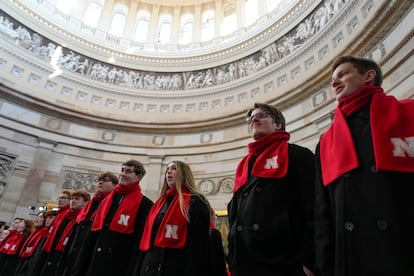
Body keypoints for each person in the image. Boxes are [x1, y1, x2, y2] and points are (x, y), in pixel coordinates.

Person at [314, 55, 414, 276]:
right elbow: (324, 214)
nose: (334, 82)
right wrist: (324, 267)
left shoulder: (409, 113)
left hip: (404, 246)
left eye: (342, 74)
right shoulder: (325, 142)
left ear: (369, 76)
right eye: (332, 79)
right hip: (352, 257)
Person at [227, 103, 315, 276]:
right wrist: (232, 258)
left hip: (284, 264)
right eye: (251, 118)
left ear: (278, 124)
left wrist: (309, 260)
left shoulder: (297, 155)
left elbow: (314, 207)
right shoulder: (244, 165)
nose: (254, 119)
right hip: (246, 263)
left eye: (261, 116)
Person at [73, 160, 153, 276]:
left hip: (118, 266)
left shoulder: (145, 204)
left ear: (139, 176)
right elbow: (91, 236)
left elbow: (139, 243)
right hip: (94, 264)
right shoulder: (106, 200)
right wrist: (79, 268)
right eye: (122, 170)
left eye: (128, 171)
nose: (123, 174)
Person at [136, 160, 210, 276]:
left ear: (184, 174)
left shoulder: (196, 201)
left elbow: (199, 243)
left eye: (174, 168)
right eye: (167, 169)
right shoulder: (159, 203)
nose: (168, 171)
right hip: (150, 266)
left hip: (176, 266)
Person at [58, 172, 118, 275]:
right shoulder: (90, 204)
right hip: (74, 253)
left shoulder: (114, 204)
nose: (100, 182)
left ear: (114, 185)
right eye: (99, 180)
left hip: (90, 255)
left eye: (105, 180)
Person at [40, 190, 90, 276]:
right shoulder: (64, 215)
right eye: (71, 199)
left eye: (77, 199)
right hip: (54, 250)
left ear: (85, 203)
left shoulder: (83, 218)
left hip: (67, 252)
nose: (73, 201)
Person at [15, 210, 57, 276]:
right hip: (25, 259)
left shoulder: (45, 232)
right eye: (37, 216)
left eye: (41, 217)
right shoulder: (35, 232)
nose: (37, 218)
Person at [204, 196, 228, 276]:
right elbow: (219, 263)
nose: (215, 218)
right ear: (210, 216)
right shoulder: (214, 234)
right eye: (214, 215)